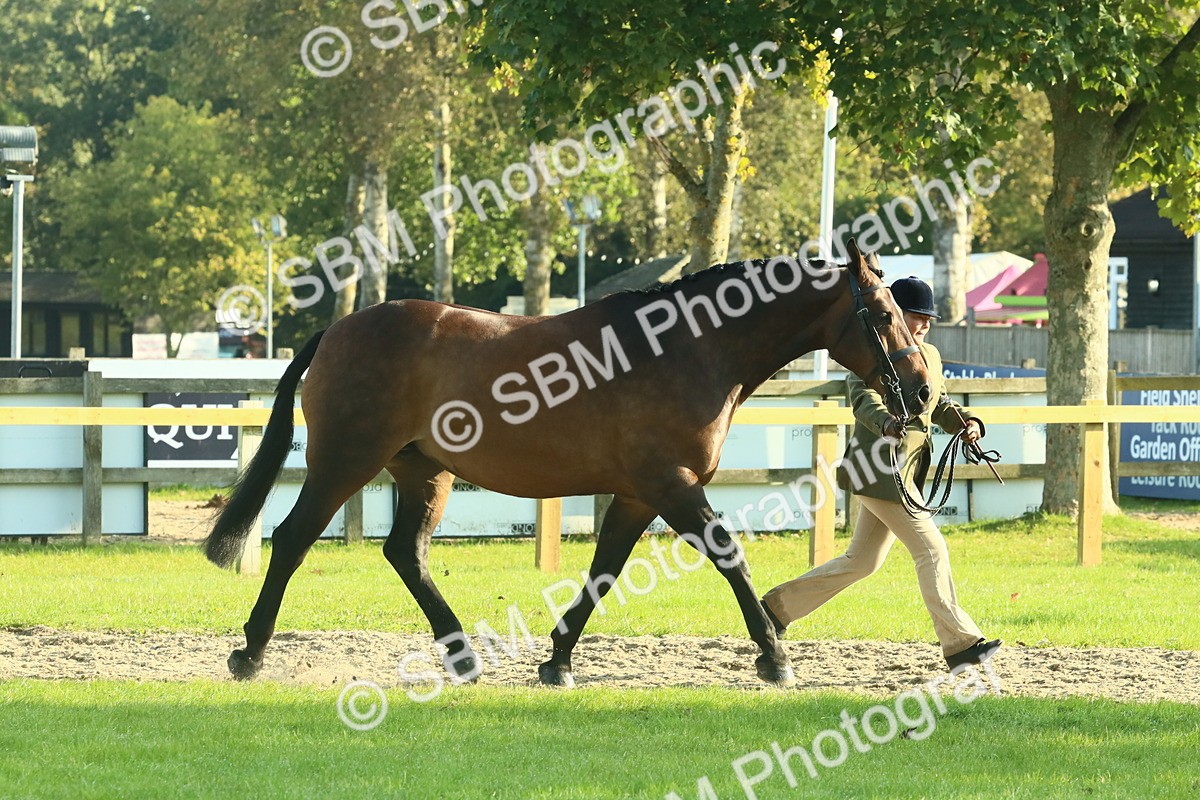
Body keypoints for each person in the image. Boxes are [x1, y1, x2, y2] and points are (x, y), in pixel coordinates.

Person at [761, 276, 1001, 671]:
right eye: (916, 316)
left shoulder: (930, 355)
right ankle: (960, 644)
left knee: (862, 562)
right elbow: (863, 397)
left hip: (905, 474)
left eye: (928, 319)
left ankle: (774, 610)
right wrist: (886, 422)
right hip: (880, 470)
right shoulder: (872, 350)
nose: (923, 325)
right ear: (894, 314)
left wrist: (967, 422)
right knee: (931, 549)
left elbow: (937, 401)